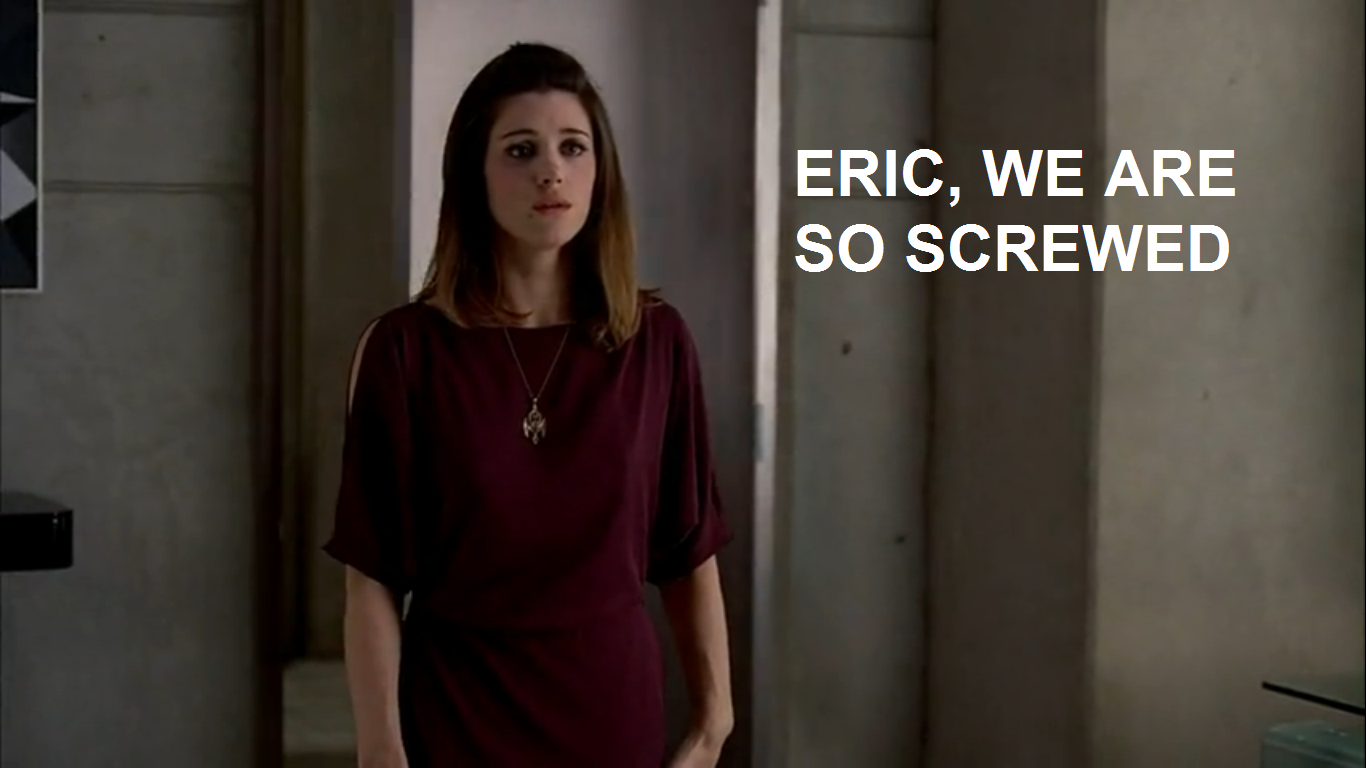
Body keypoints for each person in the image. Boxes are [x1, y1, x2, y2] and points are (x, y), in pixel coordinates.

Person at [323, 42, 735, 768]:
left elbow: (688, 548)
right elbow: (373, 574)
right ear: (474, 174)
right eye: (521, 150)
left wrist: (713, 724)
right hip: (456, 715)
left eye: (573, 147)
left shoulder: (655, 342)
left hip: (609, 715)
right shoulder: (405, 349)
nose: (551, 171)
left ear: (601, 171)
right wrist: (380, 749)